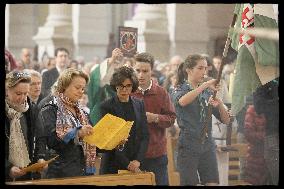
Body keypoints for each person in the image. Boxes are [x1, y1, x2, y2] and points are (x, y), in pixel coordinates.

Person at [172, 54, 230, 186]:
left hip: (207, 143)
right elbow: (183, 101)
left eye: (205, 68)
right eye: (200, 68)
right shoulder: (179, 88)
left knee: (212, 183)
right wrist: (204, 85)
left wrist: (220, 103)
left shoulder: (207, 93)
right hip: (188, 145)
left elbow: (226, 120)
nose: (204, 72)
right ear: (189, 70)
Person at [38, 68, 97, 178]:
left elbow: (93, 141)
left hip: (83, 171)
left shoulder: (83, 112)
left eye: (83, 89)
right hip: (59, 173)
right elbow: (52, 141)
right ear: (64, 85)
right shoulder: (50, 109)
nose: (81, 91)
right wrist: (77, 133)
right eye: (77, 87)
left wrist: (114, 141)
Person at [132, 52, 176, 185]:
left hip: (157, 153)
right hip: (133, 155)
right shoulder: (128, 92)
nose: (141, 75)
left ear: (152, 70)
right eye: (138, 70)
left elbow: (171, 118)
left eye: (145, 71)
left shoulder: (161, 92)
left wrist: (156, 118)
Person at [99, 66, 149, 174]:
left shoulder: (139, 104)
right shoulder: (106, 106)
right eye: (120, 86)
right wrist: (127, 164)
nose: (124, 89)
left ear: (133, 86)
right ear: (115, 86)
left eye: (128, 86)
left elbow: (145, 135)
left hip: (136, 163)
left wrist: (137, 160)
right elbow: (109, 140)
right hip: (113, 164)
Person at [5, 70, 47, 181]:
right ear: (7, 91)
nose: (23, 98)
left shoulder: (32, 109)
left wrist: (40, 157)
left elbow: (40, 137)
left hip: (29, 172)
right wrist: (8, 168)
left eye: (26, 93)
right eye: (18, 94)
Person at [88, 48, 124, 124]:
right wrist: (111, 60)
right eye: (112, 67)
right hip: (99, 118)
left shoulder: (117, 87)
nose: (114, 70)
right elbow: (100, 77)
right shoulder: (100, 86)